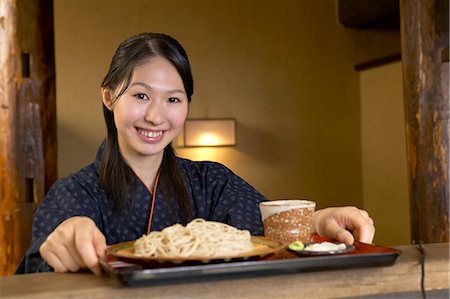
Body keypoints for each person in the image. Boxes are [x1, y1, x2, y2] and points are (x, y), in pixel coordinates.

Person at [16, 33, 375, 275]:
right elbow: (37, 271)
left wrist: (317, 222)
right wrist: (62, 243)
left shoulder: (211, 181)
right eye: (140, 95)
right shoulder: (73, 194)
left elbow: (269, 234)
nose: (156, 116)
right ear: (109, 97)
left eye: (173, 99)